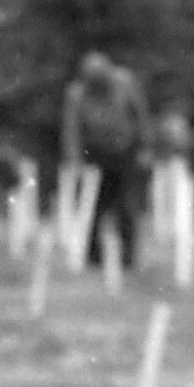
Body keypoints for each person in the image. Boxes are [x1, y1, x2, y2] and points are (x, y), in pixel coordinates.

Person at [61, 51, 152, 268]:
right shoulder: (77, 94)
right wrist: (75, 161)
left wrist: (145, 147)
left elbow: (141, 116)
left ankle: (128, 258)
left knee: (126, 207)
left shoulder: (125, 82)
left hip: (125, 152)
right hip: (95, 155)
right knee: (92, 207)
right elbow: (71, 130)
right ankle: (93, 258)